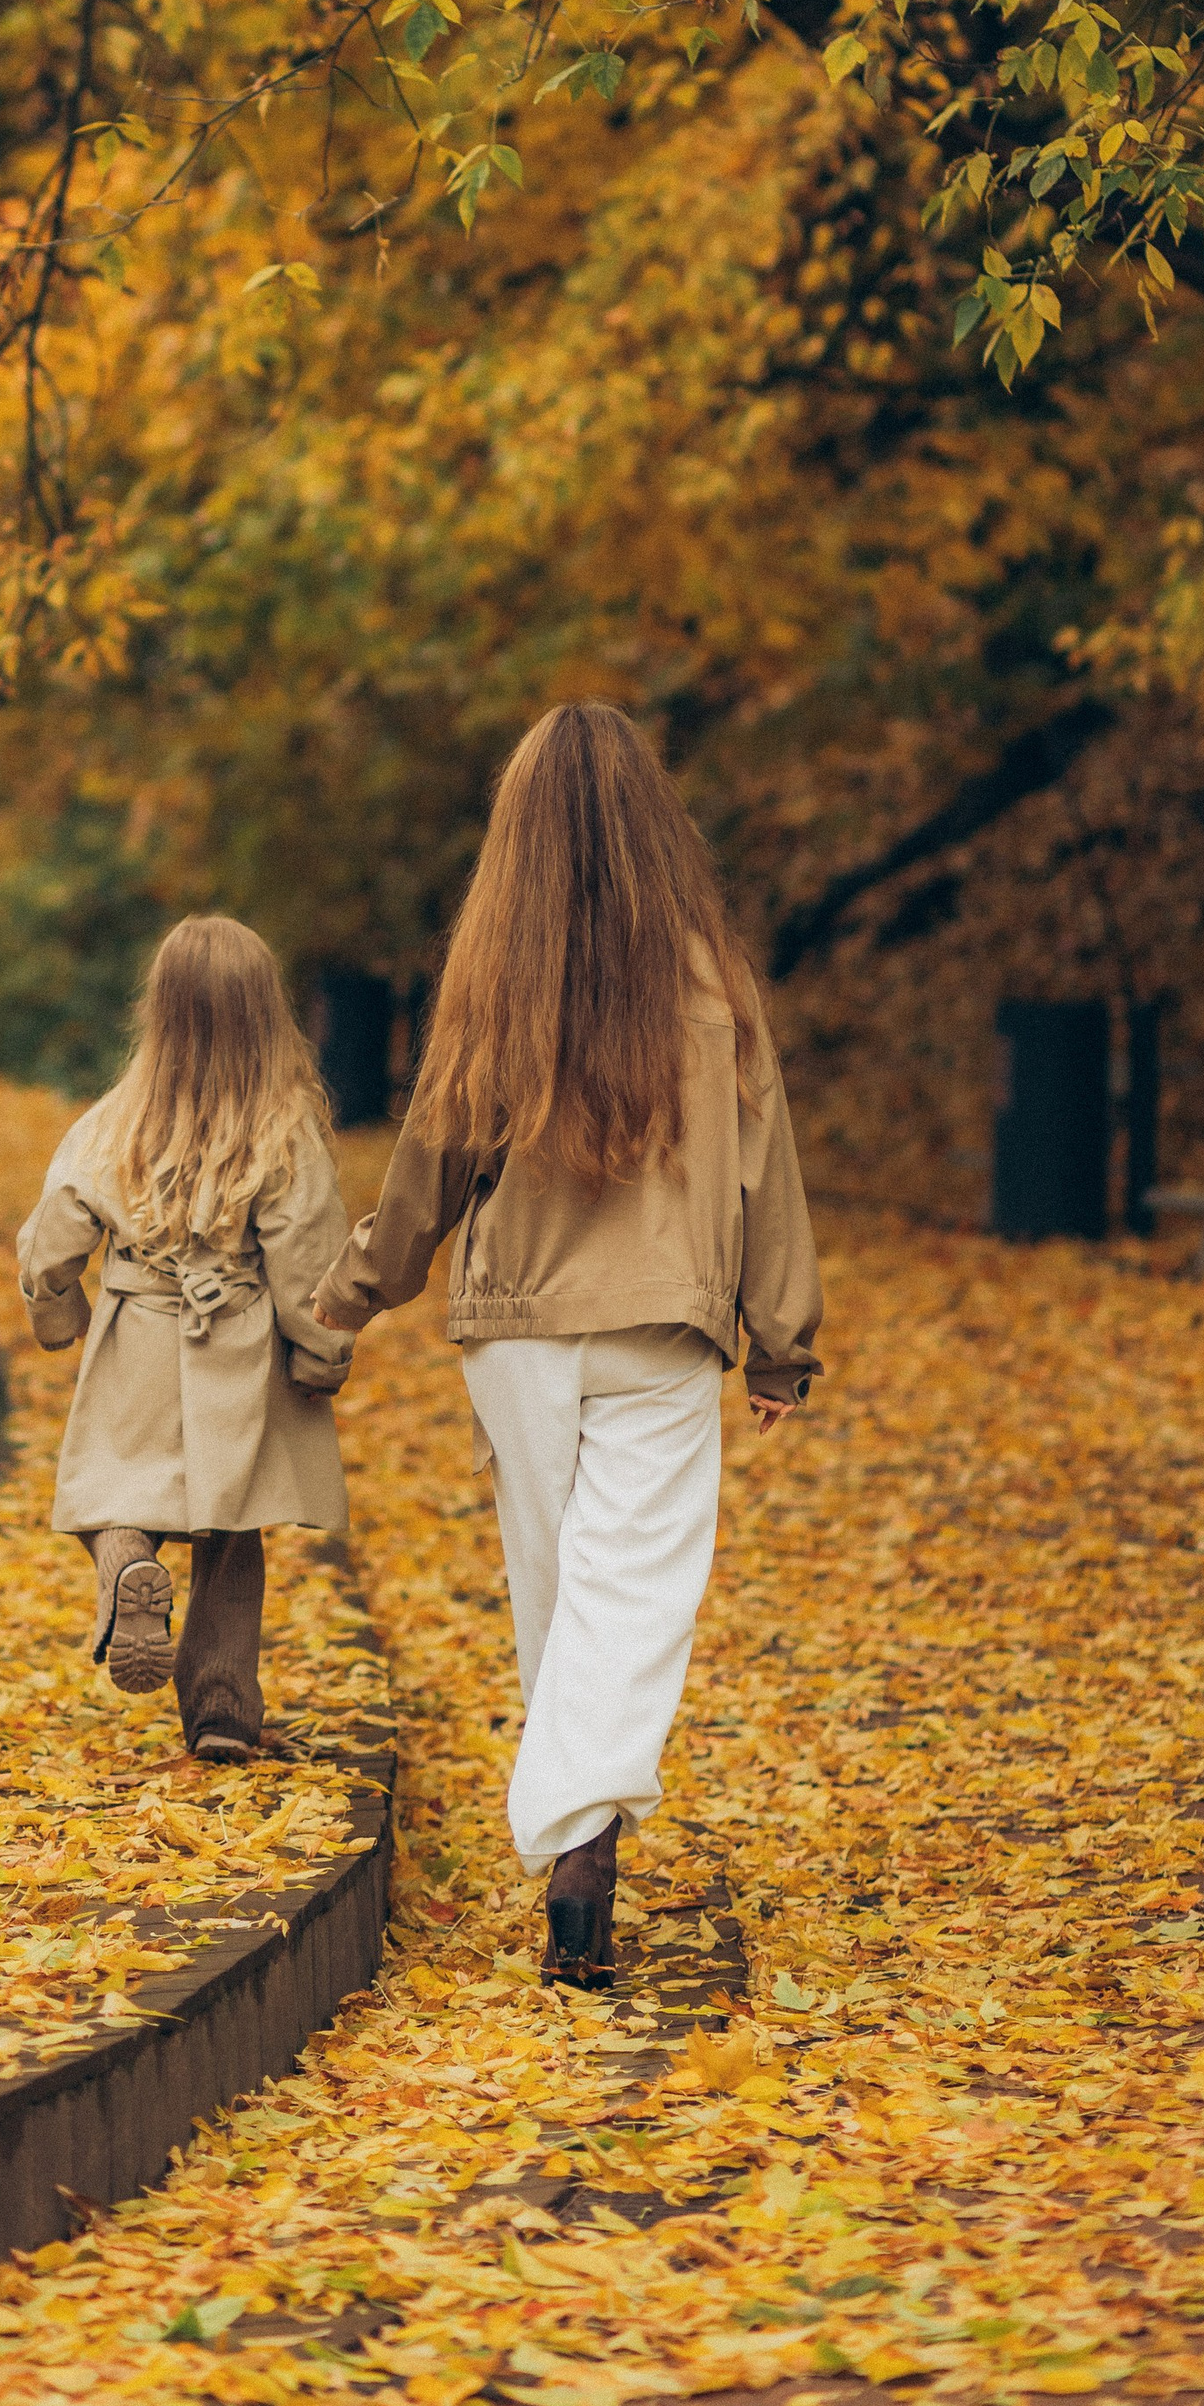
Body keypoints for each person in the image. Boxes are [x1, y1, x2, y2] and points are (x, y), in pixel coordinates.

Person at [311, 702, 823, 1991]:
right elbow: (766, 1159)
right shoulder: (714, 983)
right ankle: (582, 1842)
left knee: (553, 1588)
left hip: (521, 1330)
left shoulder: (497, 975)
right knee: (632, 1588)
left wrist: (366, 1280)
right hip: (662, 1319)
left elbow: (433, 1151)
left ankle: (574, 1841)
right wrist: (779, 1340)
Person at [18, 914, 357, 1766]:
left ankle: (127, 1561)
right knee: (230, 1534)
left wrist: (62, 1315)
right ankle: (221, 1711)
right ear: (264, 1014)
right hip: (235, 1349)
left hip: (136, 1333)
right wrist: (318, 1357)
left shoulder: (111, 1123)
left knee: (108, 1492)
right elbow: (308, 1264)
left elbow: (52, 1238)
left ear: (160, 1010)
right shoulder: (285, 1134)